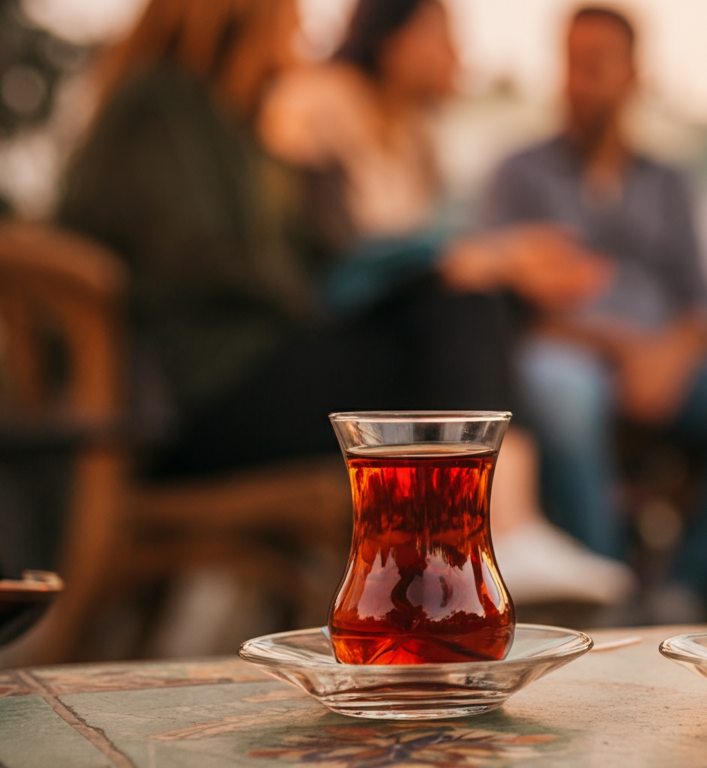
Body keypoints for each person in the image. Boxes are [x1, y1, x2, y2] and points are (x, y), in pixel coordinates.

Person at [258, 0, 633, 605]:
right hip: (323, 347)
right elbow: (337, 267)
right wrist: (470, 258)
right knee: (472, 305)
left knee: (485, 308)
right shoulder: (322, 104)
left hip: (390, 346)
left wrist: (492, 263)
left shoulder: (414, 139)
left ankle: (516, 535)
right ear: (397, 40)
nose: (459, 57)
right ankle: (506, 532)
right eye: (443, 38)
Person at [485, 5, 707, 616]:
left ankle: (688, 583)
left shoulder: (670, 182)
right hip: (569, 355)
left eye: (595, 65)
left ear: (633, 75)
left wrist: (666, 357)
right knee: (559, 386)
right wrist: (623, 351)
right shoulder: (518, 173)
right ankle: (603, 582)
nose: (577, 81)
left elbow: (704, 309)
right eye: (570, 64)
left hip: (665, 368)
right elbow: (499, 308)